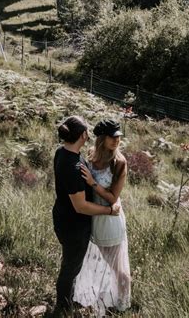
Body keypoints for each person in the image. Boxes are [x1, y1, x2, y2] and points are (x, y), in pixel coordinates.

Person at [52, 115, 120, 318]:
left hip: (63, 218)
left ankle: (66, 300)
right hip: (74, 225)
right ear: (82, 135)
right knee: (71, 267)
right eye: (87, 131)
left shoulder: (62, 153)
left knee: (71, 262)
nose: (89, 134)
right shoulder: (72, 166)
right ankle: (63, 309)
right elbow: (81, 206)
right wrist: (109, 210)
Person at [73, 119, 131, 316]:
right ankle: (106, 297)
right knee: (101, 262)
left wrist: (92, 183)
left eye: (119, 136)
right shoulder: (91, 156)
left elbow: (113, 198)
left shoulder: (119, 163)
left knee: (118, 267)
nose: (117, 140)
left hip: (111, 218)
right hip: (94, 217)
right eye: (112, 137)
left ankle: (122, 306)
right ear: (101, 138)